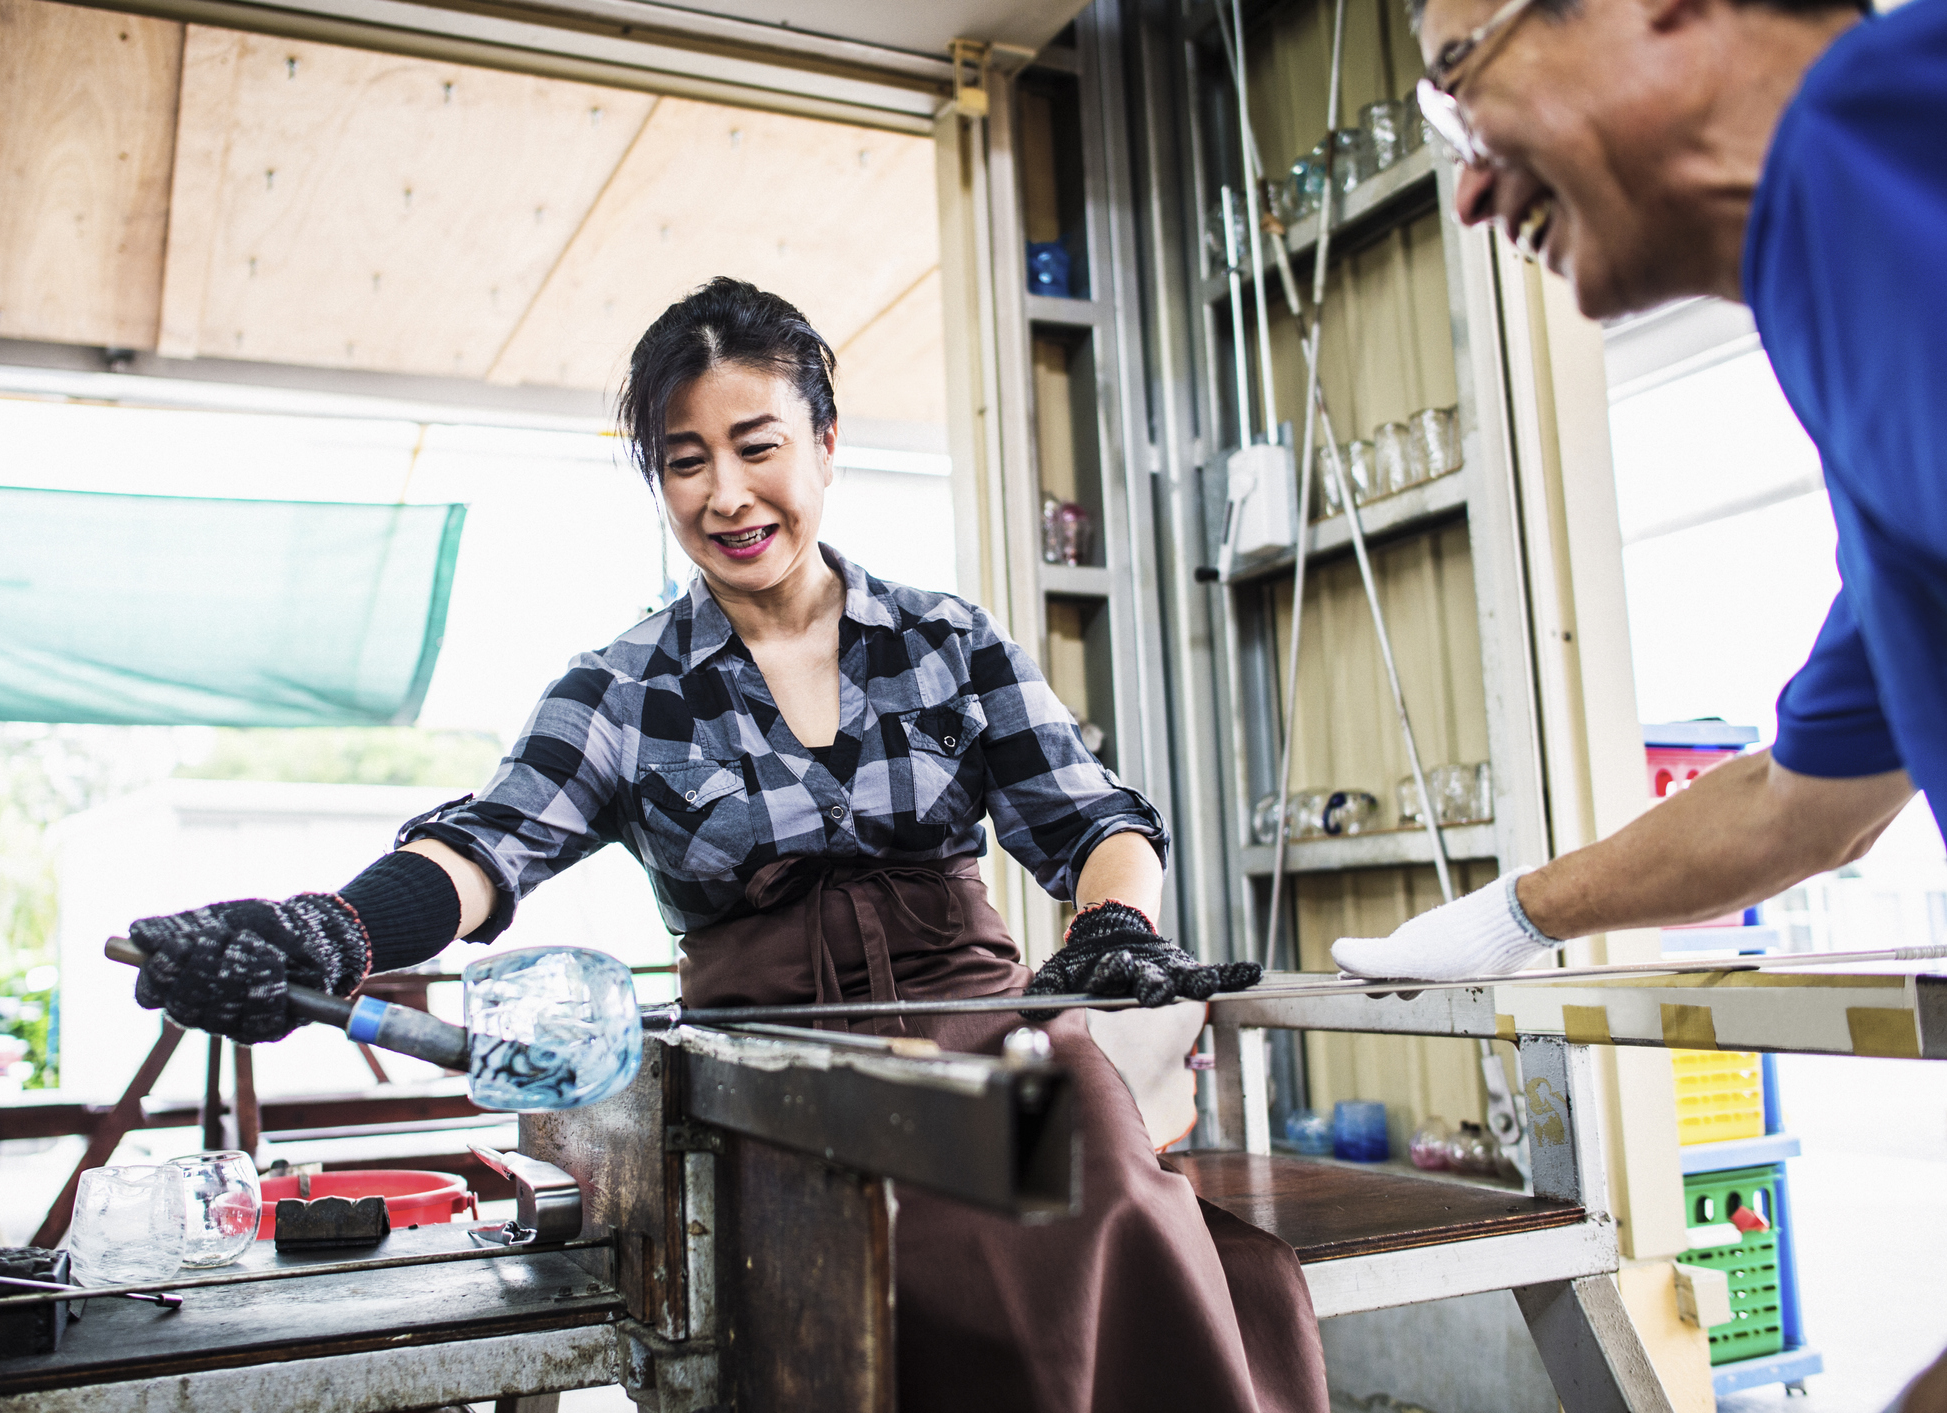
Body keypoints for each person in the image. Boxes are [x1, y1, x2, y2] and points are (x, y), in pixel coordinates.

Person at [125, 278, 1328, 1413]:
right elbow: (482, 850)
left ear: (825, 442)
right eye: (684, 462)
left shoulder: (948, 640)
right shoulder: (620, 688)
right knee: (852, 1282)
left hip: (991, 1046)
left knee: (1083, 1174)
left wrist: (1117, 923)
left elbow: (1095, 823)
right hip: (772, 1086)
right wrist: (328, 930)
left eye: (757, 446)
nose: (727, 496)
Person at [1332, 0, 1947, 982]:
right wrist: (1513, 918)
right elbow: (1804, 806)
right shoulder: (1837, 339)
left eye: (1461, 87)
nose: (1469, 193)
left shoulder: (1881, 127)